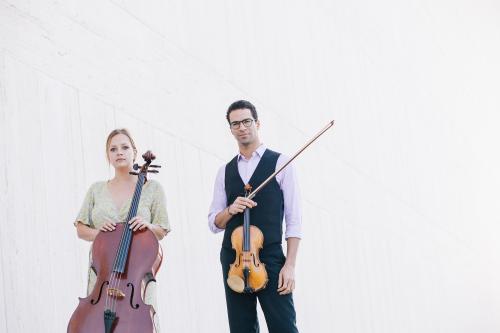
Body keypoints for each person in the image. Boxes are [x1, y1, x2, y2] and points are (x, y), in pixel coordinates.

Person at [208, 100, 302, 333]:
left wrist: (289, 266)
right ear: (230, 129)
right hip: (233, 259)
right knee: (241, 328)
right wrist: (230, 209)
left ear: (257, 123)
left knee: (284, 327)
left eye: (247, 121)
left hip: (270, 257)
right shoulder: (224, 172)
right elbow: (214, 223)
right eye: (236, 123)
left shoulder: (281, 163)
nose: (242, 127)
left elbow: (294, 220)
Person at [74, 128, 170, 332]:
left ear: (134, 151)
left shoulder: (152, 189)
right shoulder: (96, 190)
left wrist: (148, 226)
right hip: (103, 276)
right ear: (107, 155)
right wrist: (98, 233)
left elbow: (162, 229)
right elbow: (81, 229)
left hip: (137, 278)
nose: (119, 152)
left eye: (125, 147)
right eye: (113, 149)